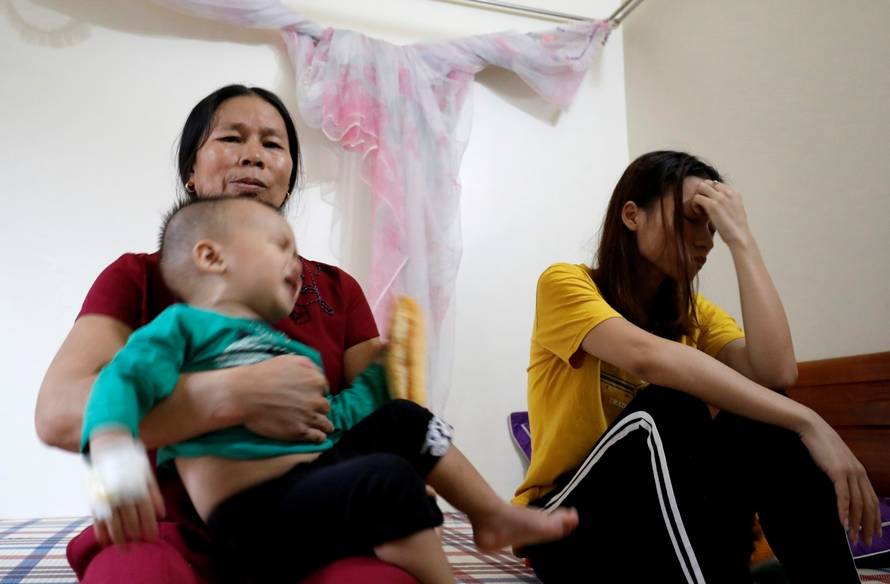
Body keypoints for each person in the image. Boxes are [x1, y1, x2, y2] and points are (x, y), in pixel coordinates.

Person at [81, 196, 578, 584]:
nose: (296, 261)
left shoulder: (282, 349)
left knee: (403, 419)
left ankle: (491, 515)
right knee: (387, 481)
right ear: (211, 256)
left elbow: (331, 418)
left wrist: (379, 382)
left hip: (309, 485)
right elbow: (119, 381)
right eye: (279, 245)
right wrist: (111, 450)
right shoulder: (181, 328)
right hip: (249, 518)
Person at [36, 84, 398, 583]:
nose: (254, 155)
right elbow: (58, 414)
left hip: (313, 527)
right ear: (190, 170)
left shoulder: (337, 289)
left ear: (289, 177)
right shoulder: (138, 277)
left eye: (273, 144)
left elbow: (380, 413)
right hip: (164, 529)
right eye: (232, 138)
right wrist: (234, 395)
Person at [513, 151, 881, 583]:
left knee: (764, 420)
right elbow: (648, 358)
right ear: (633, 215)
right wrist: (811, 421)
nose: (706, 239)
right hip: (566, 527)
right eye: (693, 217)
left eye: (713, 225)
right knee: (671, 405)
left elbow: (777, 373)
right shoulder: (566, 284)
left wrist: (740, 237)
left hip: (657, 532)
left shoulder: (696, 316)